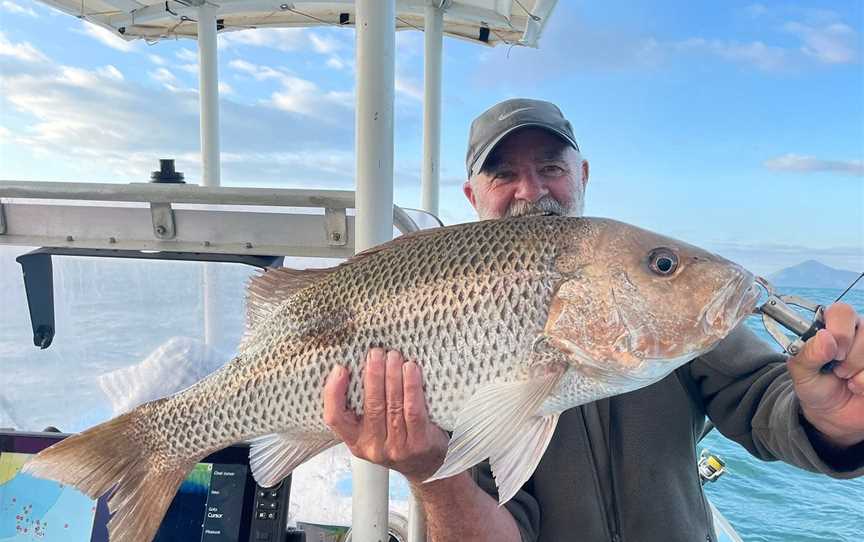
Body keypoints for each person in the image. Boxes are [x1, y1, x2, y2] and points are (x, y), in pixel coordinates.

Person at [322, 99, 864, 541]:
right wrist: (432, 475)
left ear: (581, 175)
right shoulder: (443, 320)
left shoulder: (656, 301)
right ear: (472, 195)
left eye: (551, 168)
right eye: (503, 173)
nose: (530, 191)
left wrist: (833, 423)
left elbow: (762, 396)